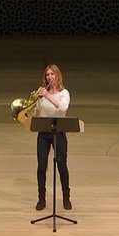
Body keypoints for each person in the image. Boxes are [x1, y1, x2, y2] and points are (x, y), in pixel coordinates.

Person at [33, 64, 73, 211]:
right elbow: (37, 113)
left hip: (59, 133)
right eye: (47, 75)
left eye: (52, 74)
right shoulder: (42, 94)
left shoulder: (64, 93)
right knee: (41, 166)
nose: (49, 77)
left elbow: (62, 108)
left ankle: (66, 197)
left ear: (57, 76)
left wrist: (48, 96)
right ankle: (41, 199)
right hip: (43, 133)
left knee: (62, 165)